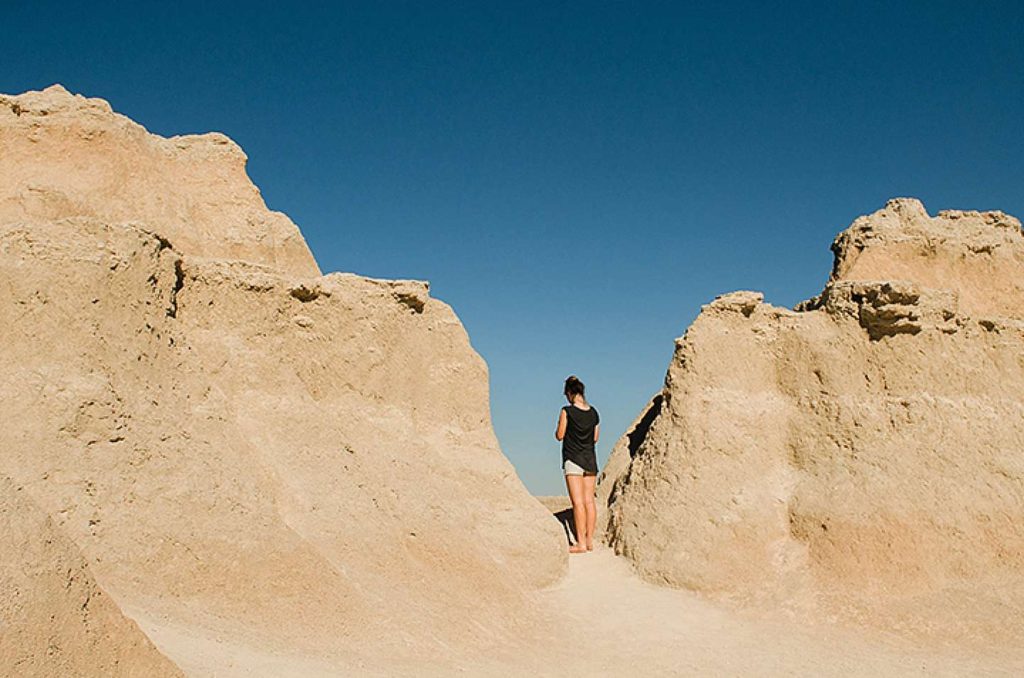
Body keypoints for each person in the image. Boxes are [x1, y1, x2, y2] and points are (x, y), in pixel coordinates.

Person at [555, 375, 600, 553]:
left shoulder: (567, 411)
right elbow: (595, 438)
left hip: (573, 459)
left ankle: (580, 544)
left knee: (578, 502)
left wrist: (559, 425)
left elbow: (560, 435)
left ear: (569, 393)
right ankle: (589, 540)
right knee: (589, 501)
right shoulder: (594, 412)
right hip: (590, 459)